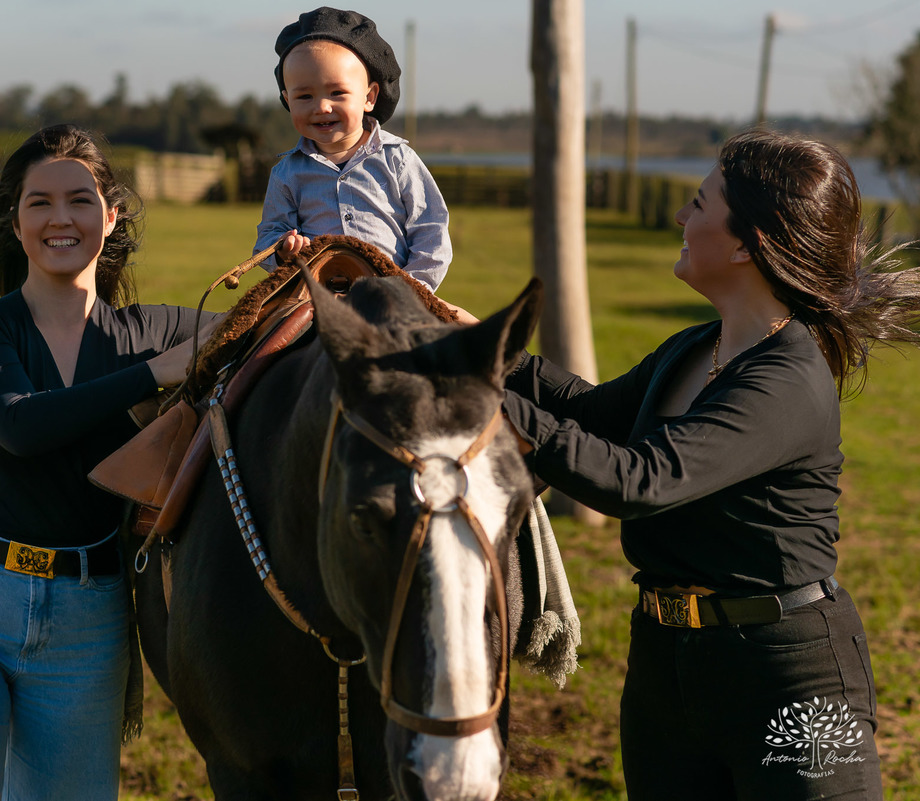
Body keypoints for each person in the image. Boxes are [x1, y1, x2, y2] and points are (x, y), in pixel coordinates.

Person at [503, 129, 920, 800]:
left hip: (789, 676)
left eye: (697, 204)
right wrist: (472, 348)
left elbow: (640, 479)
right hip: (666, 671)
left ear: (743, 244)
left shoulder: (788, 379)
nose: (680, 216)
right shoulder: (698, 346)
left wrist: (488, 408)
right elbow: (586, 415)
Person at [0, 124, 216, 801]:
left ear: (111, 213)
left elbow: (267, 324)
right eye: (39, 202)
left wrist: (313, 252)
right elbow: (20, 424)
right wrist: (153, 374)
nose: (59, 218)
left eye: (78, 199)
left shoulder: (157, 328)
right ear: (15, 222)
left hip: (87, 616)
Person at [253, 6, 452, 292]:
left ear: (369, 97)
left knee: (469, 330)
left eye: (337, 93)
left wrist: (413, 289)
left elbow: (430, 229)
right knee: (249, 334)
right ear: (287, 99)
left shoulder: (398, 159)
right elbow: (268, 237)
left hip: (396, 292)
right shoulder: (287, 173)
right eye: (305, 96)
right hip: (314, 296)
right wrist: (283, 250)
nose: (322, 106)